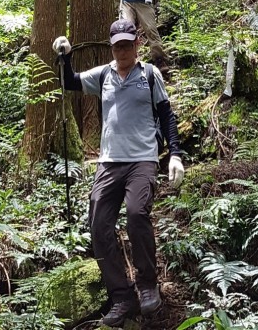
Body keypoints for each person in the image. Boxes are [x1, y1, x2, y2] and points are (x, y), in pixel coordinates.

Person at [52, 20, 185, 327]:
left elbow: (166, 114)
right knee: (98, 224)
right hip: (109, 161)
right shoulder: (104, 74)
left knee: (137, 214)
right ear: (111, 47)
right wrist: (65, 55)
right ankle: (121, 296)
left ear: (137, 44)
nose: (123, 50)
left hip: (143, 159)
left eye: (128, 44)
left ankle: (148, 285)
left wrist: (175, 154)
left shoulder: (149, 75)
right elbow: (70, 82)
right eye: (118, 45)